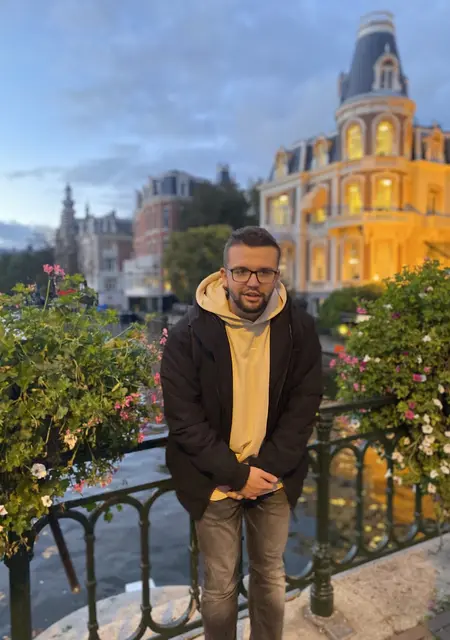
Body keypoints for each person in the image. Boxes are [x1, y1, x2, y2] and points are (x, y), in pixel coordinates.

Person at [160, 226, 323, 640]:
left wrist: (264, 470)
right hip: (215, 481)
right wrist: (235, 475)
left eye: (264, 272)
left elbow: (305, 403)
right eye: (242, 271)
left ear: (277, 275)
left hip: (272, 476)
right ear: (223, 275)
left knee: (269, 574)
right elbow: (183, 418)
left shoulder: (299, 328)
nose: (253, 282)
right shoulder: (187, 335)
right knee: (220, 585)